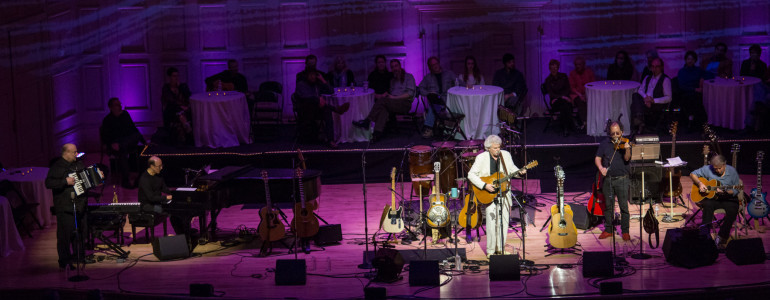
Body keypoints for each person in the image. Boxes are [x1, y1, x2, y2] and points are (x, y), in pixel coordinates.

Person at [467, 135, 526, 258]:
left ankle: (501, 249)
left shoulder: (506, 155)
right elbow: (471, 175)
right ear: (488, 148)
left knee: (504, 222)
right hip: (489, 194)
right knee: (491, 223)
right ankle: (490, 251)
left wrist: (519, 172)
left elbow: (511, 169)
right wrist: (484, 185)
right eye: (494, 148)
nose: (497, 150)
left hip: (504, 194)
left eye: (499, 147)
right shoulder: (481, 157)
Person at [45, 144, 93, 270]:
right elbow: (48, 183)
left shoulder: (78, 164)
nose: (76, 154)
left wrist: (96, 178)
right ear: (65, 153)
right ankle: (64, 261)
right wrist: (65, 182)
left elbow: (86, 181)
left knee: (81, 233)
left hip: (80, 205)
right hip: (65, 206)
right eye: (74, 152)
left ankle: (79, 256)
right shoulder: (57, 166)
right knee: (65, 236)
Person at [352, 59, 416, 142]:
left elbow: (409, 94)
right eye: (392, 67)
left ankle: (367, 121)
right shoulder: (393, 80)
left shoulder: (409, 77)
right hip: (393, 102)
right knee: (384, 108)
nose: (394, 68)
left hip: (405, 103)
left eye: (396, 66)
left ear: (400, 66)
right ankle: (376, 134)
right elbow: (392, 93)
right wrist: (388, 95)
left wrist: (393, 98)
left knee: (383, 101)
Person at [690, 155, 742, 249]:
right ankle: (705, 235)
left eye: (719, 168)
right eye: (715, 169)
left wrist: (726, 191)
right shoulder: (708, 169)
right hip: (714, 198)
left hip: (728, 198)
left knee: (733, 210)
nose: (717, 170)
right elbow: (692, 174)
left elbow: (736, 189)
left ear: (724, 164)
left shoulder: (732, 171)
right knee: (707, 205)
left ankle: (722, 237)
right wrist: (700, 183)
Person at [595, 122, 632, 241]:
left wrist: (627, 149)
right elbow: (597, 158)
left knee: (623, 207)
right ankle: (609, 230)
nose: (616, 136)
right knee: (608, 207)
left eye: (618, 133)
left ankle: (625, 231)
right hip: (608, 180)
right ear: (609, 134)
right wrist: (601, 168)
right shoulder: (604, 144)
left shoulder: (625, 143)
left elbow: (627, 158)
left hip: (622, 179)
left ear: (622, 132)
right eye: (613, 133)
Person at [137, 156, 189, 241]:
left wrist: (177, 194)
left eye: (162, 165)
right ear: (152, 166)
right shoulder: (144, 179)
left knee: (177, 209)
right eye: (159, 166)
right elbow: (151, 198)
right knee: (170, 212)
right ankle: (182, 236)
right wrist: (166, 198)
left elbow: (165, 189)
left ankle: (185, 233)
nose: (161, 168)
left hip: (157, 202)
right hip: (147, 206)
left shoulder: (158, 176)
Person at [294, 70, 350, 148]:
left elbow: (331, 91)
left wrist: (323, 80)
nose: (313, 77)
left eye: (314, 75)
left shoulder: (317, 84)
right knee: (317, 102)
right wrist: (318, 99)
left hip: (316, 109)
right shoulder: (301, 84)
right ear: (306, 76)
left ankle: (331, 140)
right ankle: (337, 109)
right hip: (305, 110)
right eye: (311, 75)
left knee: (327, 111)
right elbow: (305, 98)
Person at [101, 97, 144, 188]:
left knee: (136, 135)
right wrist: (111, 144)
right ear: (111, 107)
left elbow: (133, 129)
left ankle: (138, 177)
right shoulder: (107, 120)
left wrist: (144, 142)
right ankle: (125, 180)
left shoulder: (125, 115)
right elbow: (105, 137)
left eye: (120, 104)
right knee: (122, 150)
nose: (120, 106)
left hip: (126, 141)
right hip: (115, 145)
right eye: (117, 105)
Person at [418, 56, 457, 138]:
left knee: (434, 107)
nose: (435, 66)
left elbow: (459, 83)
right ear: (430, 67)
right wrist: (428, 93)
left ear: (439, 64)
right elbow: (420, 88)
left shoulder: (449, 74)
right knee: (434, 105)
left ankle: (428, 128)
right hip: (436, 100)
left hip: (448, 100)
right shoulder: (428, 78)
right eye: (432, 65)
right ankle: (431, 127)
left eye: (436, 64)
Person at [631, 57, 672, 134]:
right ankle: (640, 120)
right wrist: (646, 98)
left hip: (656, 104)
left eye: (657, 66)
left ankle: (639, 122)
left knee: (637, 104)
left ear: (661, 67)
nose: (654, 69)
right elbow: (640, 90)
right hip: (646, 101)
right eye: (653, 66)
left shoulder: (666, 80)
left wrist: (653, 100)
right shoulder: (647, 77)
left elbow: (669, 98)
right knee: (635, 95)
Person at [543, 59, 577, 136]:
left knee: (564, 105)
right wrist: (562, 97)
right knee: (564, 104)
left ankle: (565, 128)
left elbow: (568, 88)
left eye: (555, 68)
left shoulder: (563, 76)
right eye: (552, 68)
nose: (554, 70)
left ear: (558, 68)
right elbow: (551, 94)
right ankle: (569, 126)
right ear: (549, 69)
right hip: (555, 102)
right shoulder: (548, 80)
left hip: (564, 100)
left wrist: (564, 97)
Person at [161, 67, 193, 145]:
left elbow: (189, 96)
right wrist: (181, 107)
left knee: (182, 113)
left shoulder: (183, 86)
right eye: (174, 76)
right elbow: (170, 102)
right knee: (176, 110)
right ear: (169, 77)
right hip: (172, 111)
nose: (176, 78)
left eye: (177, 76)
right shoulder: (166, 88)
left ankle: (186, 126)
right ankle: (187, 127)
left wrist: (180, 88)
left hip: (183, 110)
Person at [676, 51, 707, 131]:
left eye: (692, 59)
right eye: (688, 59)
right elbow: (681, 86)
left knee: (698, 98)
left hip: (697, 93)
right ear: (685, 60)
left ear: (695, 60)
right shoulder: (682, 71)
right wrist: (694, 89)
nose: (690, 61)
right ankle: (691, 121)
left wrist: (702, 79)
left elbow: (707, 75)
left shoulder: (698, 70)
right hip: (686, 93)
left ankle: (695, 122)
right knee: (691, 99)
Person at [568, 56, 593, 128]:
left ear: (583, 64)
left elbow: (592, 84)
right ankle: (585, 122)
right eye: (576, 65)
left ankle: (588, 121)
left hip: (588, 94)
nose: (578, 66)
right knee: (581, 102)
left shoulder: (589, 72)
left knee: (592, 101)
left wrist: (585, 95)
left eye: (579, 64)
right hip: (576, 95)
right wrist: (580, 95)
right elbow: (572, 87)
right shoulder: (572, 73)